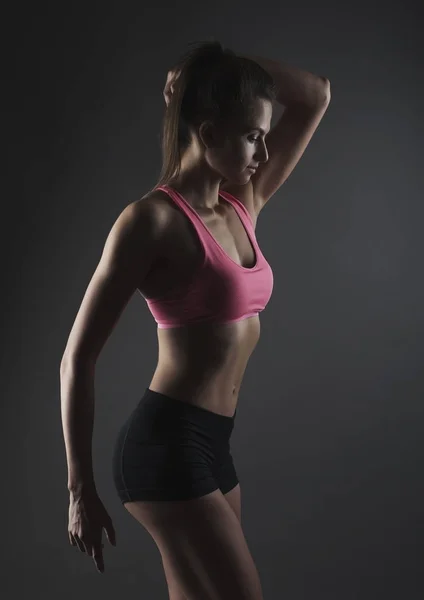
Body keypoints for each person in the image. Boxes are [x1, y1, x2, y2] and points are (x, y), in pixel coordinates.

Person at [60, 38, 330, 598]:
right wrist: (79, 489)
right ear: (207, 134)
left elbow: (314, 95)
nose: (262, 149)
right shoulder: (149, 222)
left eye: (263, 136)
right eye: (252, 135)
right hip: (166, 444)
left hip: (213, 441)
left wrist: (212, 68)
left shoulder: (242, 203)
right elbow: (76, 359)